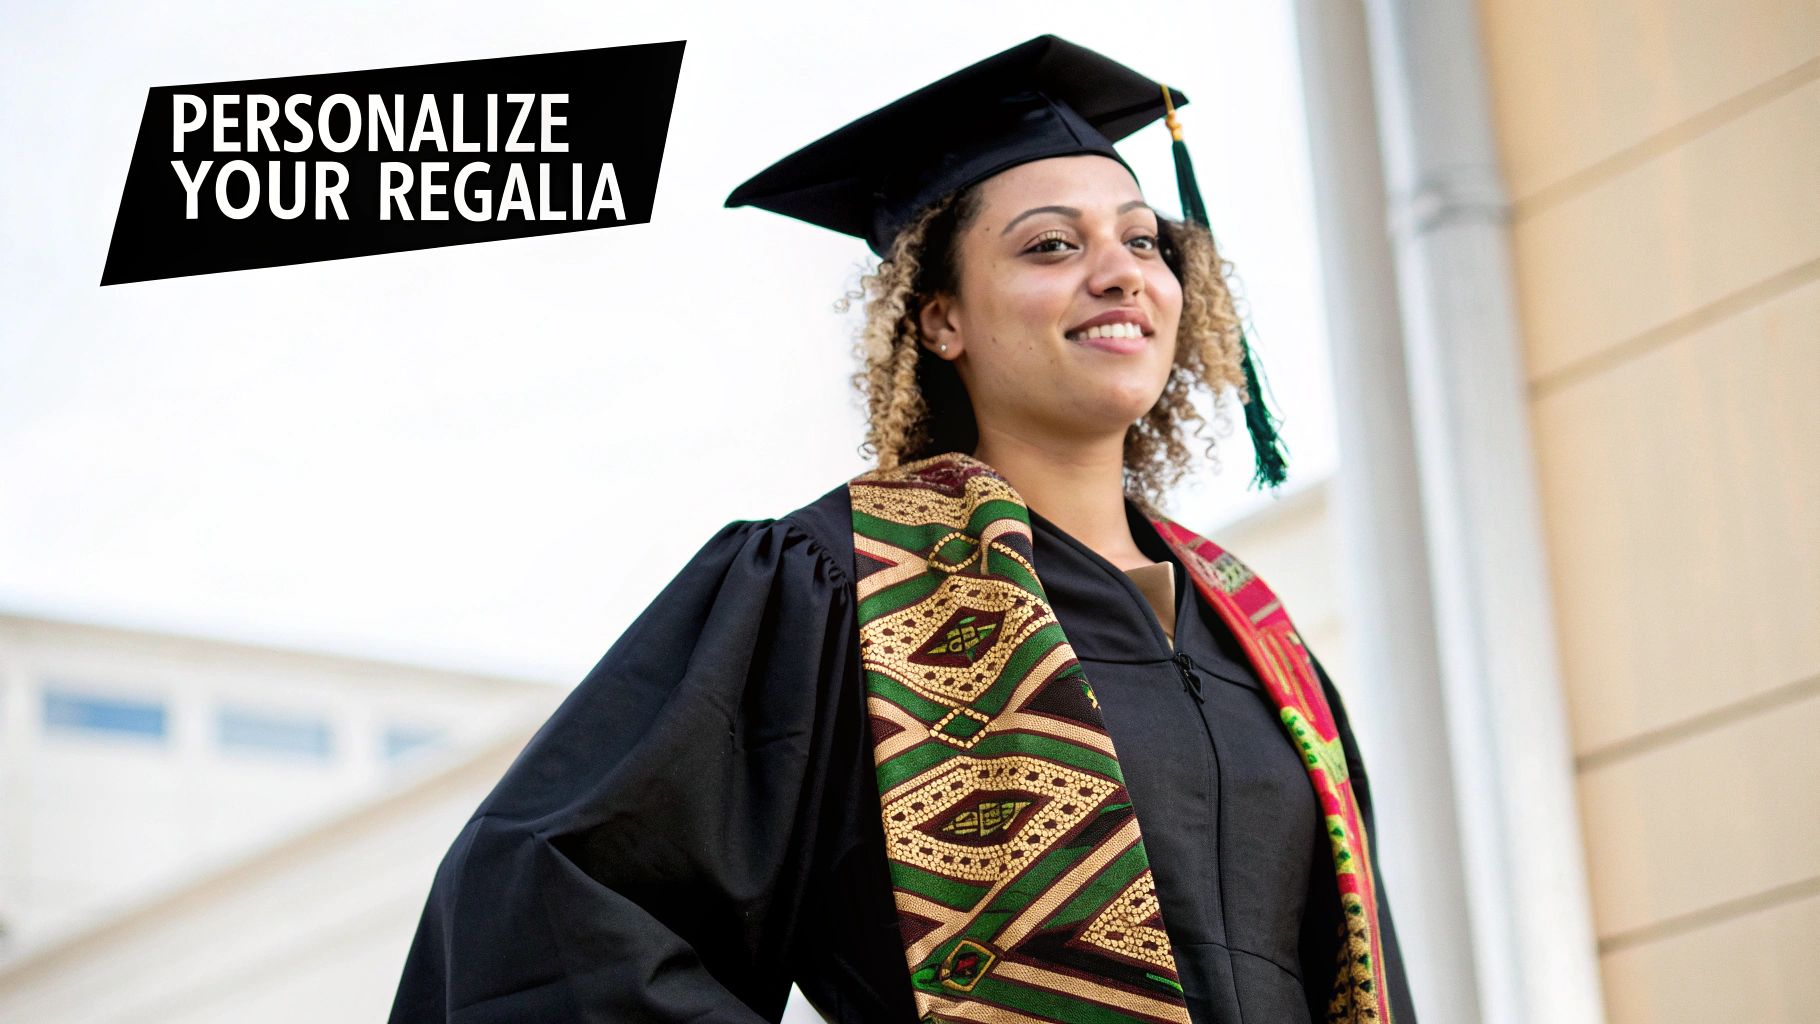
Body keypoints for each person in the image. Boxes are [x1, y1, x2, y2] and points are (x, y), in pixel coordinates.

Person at [388, 34, 1417, 1024]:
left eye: (1142, 240)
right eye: (1052, 245)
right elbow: (542, 903)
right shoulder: (841, 585)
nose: (1119, 272)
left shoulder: (1252, 629)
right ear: (938, 320)